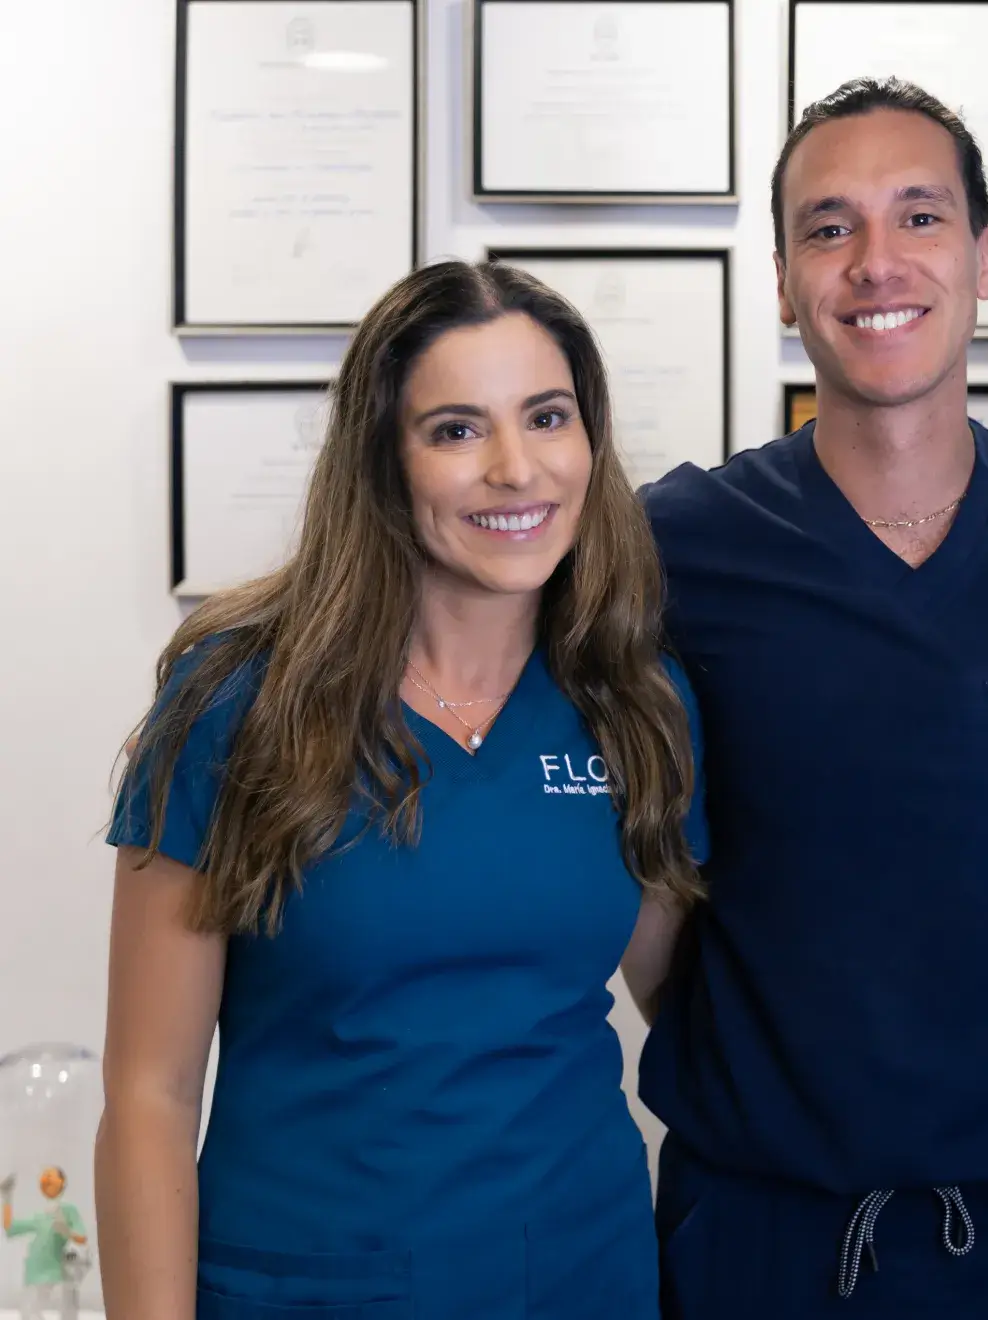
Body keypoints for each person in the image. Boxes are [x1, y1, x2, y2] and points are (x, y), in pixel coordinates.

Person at [98, 260, 706, 1319]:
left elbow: (689, 1007)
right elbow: (149, 1096)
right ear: (383, 460)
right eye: (457, 430)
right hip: (309, 1289)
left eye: (547, 417)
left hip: (582, 1280)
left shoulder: (635, 699)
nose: (516, 469)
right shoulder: (237, 699)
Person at [636, 77, 988, 1319]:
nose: (875, 262)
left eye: (917, 217)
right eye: (828, 227)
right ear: (780, 279)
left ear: (982, 259)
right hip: (762, 1239)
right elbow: (643, 882)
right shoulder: (682, 545)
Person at [4, 1167, 88, 1320]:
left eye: (51, 1176)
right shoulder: (40, 1217)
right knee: (29, 1313)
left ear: (61, 1183)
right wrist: (6, 1197)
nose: (46, 1179)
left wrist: (66, 1231)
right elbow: (10, 1229)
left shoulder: (68, 1209)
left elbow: (81, 1238)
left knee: (67, 1310)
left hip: (59, 1275)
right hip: (35, 1276)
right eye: (44, 1177)